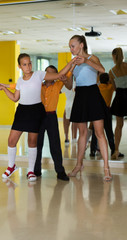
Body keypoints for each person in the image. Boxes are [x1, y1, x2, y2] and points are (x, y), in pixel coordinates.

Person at [0, 53, 74, 182]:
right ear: (20, 66)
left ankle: (42, 171)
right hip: (25, 112)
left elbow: (62, 76)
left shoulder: (40, 76)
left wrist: (71, 63)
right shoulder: (25, 81)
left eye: (29, 63)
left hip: (41, 113)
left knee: (40, 143)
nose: (28, 66)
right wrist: (4, 87)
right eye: (24, 64)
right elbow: (16, 96)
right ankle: (20, 167)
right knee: (20, 141)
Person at [66, 35, 112, 181]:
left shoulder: (93, 58)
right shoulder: (72, 63)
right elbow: (69, 85)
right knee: (82, 133)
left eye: (73, 46)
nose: (71, 49)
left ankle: (106, 168)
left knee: (99, 132)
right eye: (70, 46)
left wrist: (86, 61)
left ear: (81, 45)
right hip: (80, 95)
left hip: (93, 94)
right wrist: (65, 79)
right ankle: (78, 165)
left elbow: (103, 70)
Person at [34, 65, 70, 181]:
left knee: (55, 145)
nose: (49, 75)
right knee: (37, 144)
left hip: (51, 117)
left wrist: (73, 63)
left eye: (52, 73)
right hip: (38, 117)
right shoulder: (38, 85)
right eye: (47, 73)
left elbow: (68, 74)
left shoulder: (58, 84)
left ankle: (60, 171)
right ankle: (36, 171)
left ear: (55, 76)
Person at [90, 73, 115, 158]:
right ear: (108, 80)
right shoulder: (110, 87)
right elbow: (113, 82)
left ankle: (92, 151)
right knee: (109, 132)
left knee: (96, 132)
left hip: (97, 110)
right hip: (107, 111)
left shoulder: (97, 88)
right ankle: (113, 150)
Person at [109, 47, 127, 160]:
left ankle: (116, 150)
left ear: (113, 56)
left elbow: (114, 88)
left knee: (118, 126)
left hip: (120, 97)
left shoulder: (112, 71)